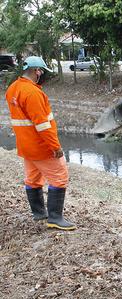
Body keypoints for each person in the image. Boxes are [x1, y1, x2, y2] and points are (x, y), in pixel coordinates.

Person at [5, 56, 75, 231]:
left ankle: (38, 212)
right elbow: (43, 126)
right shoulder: (33, 93)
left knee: (33, 179)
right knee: (59, 177)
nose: (42, 74)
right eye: (41, 71)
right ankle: (55, 218)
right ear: (36, 71)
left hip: (26, 146)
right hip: (41, 147)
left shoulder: (13, 89)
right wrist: (55, 147)